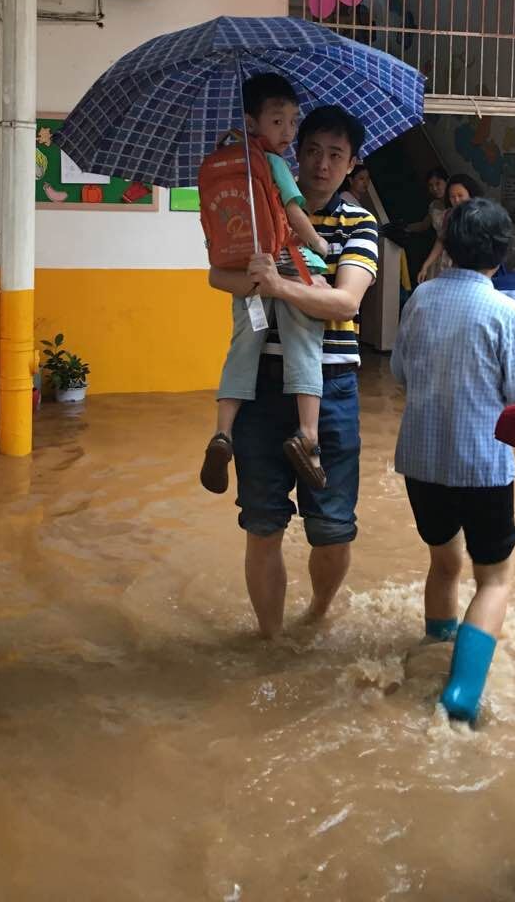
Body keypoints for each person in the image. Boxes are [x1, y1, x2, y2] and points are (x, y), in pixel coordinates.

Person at [208, 106, 378, 639]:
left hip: (332, 388)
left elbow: (345, 302)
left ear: (351, 164)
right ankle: (271, 639)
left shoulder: (358, 224)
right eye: (313, 151)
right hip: (262, 385)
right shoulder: (259, 206)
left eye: (336, 155)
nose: (322, 164)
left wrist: (278, 285)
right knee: (261, 522)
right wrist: (264, 274)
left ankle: (318, 613)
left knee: (333, 528)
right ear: (295, 154)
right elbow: (219, 275)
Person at [391, 197, 515, 722]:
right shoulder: (507, 313)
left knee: (443, 562)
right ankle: (461, 691)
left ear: (449, 247)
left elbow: (400, 374)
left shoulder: (420, 299)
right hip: (482, 467)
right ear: (501, 253)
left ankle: (436, 646)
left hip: (421, 462)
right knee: (494, 578)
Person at [199, 74, 332, 496]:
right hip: (287, 265)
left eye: (293, 121)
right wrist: (318, 244)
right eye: (278, 121)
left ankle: (223, 433)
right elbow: (293, 212)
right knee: (304, 343)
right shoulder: (272, 163)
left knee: (242, 347)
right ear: (251, 122)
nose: (288, 131)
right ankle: (307, 435)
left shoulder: (224, 160)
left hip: (247, 270)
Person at [416, 173, 482, 285]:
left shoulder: (480, 216)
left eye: (460, 195)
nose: (456, 200)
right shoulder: (449, 214)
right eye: (452, 197)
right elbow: (441, 240)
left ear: (470, 194)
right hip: (447, 263)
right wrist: (425, 265)